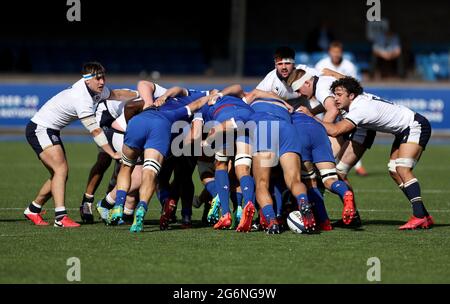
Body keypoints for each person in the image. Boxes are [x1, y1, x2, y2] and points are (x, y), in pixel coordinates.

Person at [303, 76, 433, 230]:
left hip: (415, 125)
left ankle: (419, 216)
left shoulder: (360, 109)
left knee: (403, 169)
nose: (335, 99)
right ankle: (423, 215)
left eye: (339, 95)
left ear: (351, 96)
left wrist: (311, 117)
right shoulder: (358, 100)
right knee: (394, 170)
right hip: (402, 130)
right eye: (334, 95)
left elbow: (335, 130)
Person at [24, 62, 137, 227]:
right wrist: (112, 153)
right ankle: (60, 218)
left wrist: (142, 95)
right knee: (61, 170)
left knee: (59, 173)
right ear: (87, 80)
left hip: (49, 130)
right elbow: (96, 131)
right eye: (98, 78)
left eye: (103, 77)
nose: (102, 82)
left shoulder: (95, 89)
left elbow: (116, 94)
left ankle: (33, 209)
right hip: (41, 129)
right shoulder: (81, 98)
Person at [315, 41, 368, 177]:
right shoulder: (321, 64)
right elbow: (317, 84)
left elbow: (355, 86)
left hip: (344, 104)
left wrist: (333, 74)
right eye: (334, 51)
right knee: (326, 131)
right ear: (329, 52)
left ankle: (356, 165)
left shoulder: (349, 66)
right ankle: (324, 159)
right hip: (327, 101)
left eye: (338, 52)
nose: (336, 54)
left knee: (349, 135)